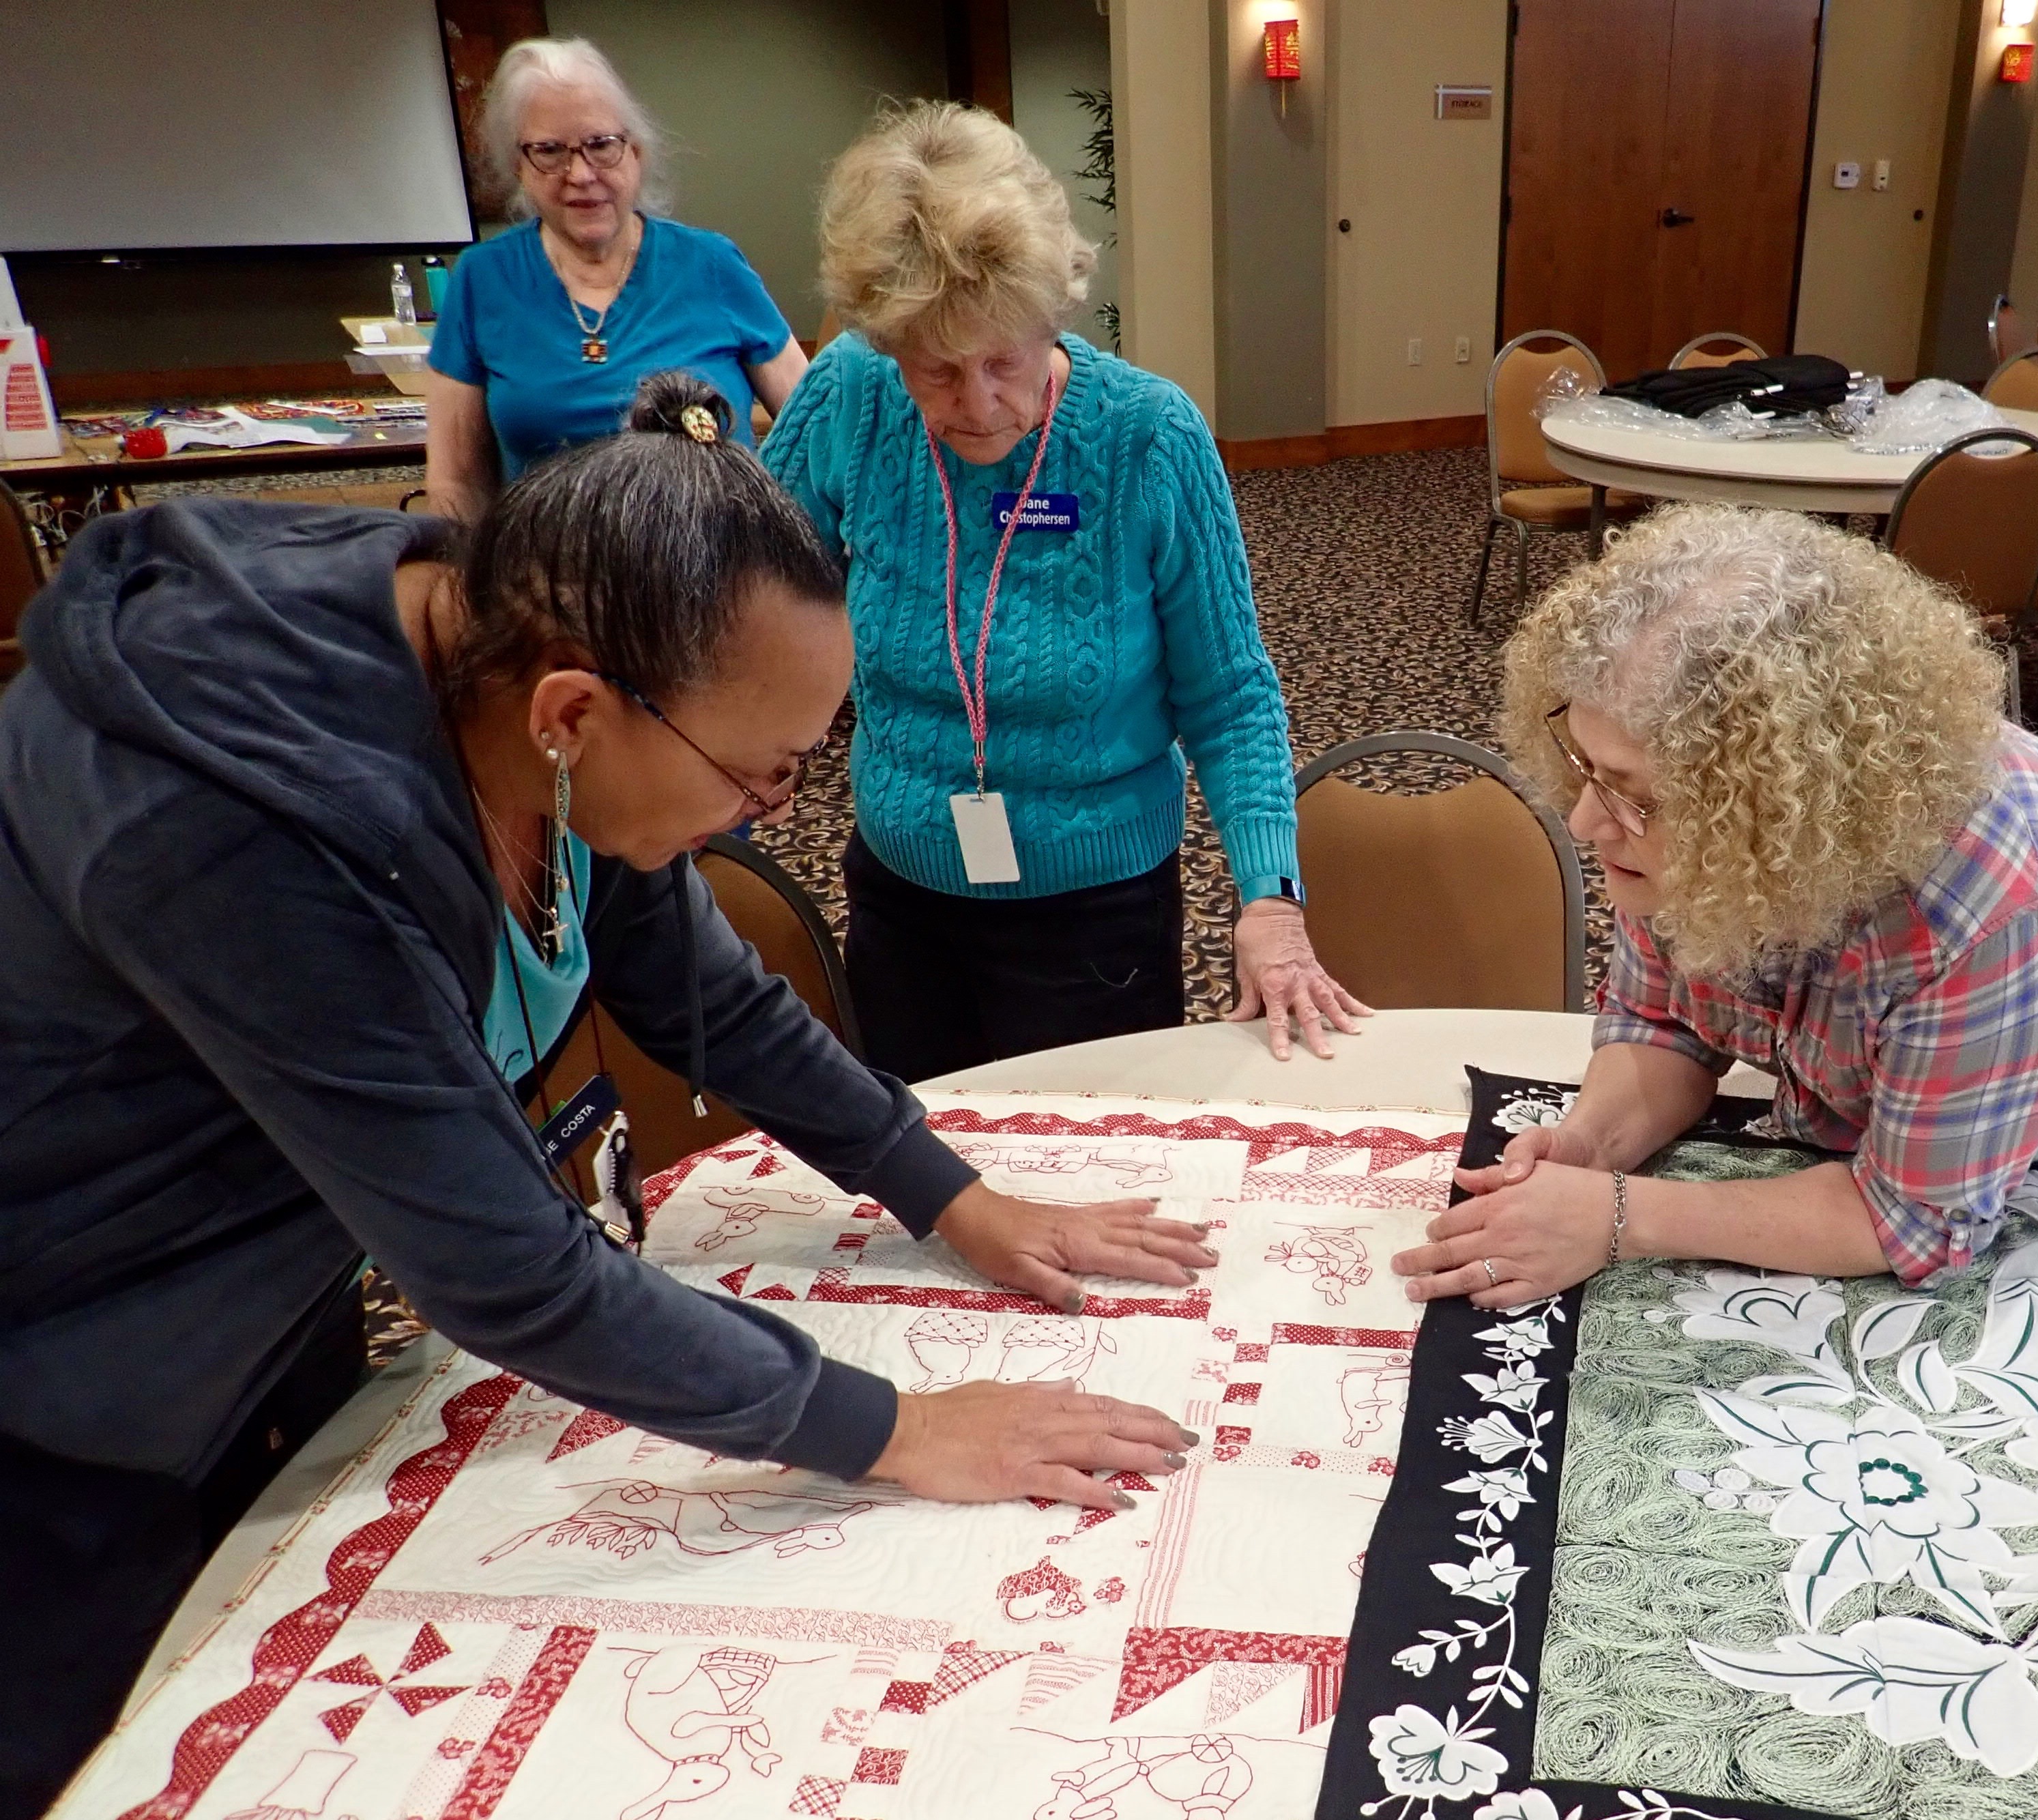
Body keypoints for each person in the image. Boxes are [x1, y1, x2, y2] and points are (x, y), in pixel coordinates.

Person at [0, 374, 1217, 1818]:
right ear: (575, 711)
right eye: (756, 778)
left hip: (270, 1269)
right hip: (66, 1352)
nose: (762, 816)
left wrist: (948, 1192)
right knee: (110, 1742)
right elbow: (509, 1273)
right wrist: (899, 1427)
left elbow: (709, 995)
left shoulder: (516, 672)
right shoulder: (235, 831)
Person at [1397, 504, 2038, 1310]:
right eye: (1586, 767)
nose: (1582, 821)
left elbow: (1916, 1221)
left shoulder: (2008, 912)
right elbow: (1667, 1023)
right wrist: (1589, 1145)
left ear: (1781, 806)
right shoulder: (1698, 822)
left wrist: (1618, 1216)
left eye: (1631, 793)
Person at [763, 102, 1366, 1076]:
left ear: (1050, 316)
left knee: (1091, 1149)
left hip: (1095, 912)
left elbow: (1230, 692)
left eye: (1003, 360)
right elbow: (752, 593)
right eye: (936, 370)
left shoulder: (1147, 436)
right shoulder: (849, 395)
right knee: (918, 1140)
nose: (977, 404)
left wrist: (1271, 898)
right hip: (900, 886)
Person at [424, 38, 809, 521]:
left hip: (719, 557)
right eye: (549, 151)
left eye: (601, 145)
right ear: (519, 166)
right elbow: (456, 482)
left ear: (636, 152)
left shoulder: (713, 264)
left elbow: (816, 430)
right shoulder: (482, 279)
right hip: (546, 563)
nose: (581, 174)